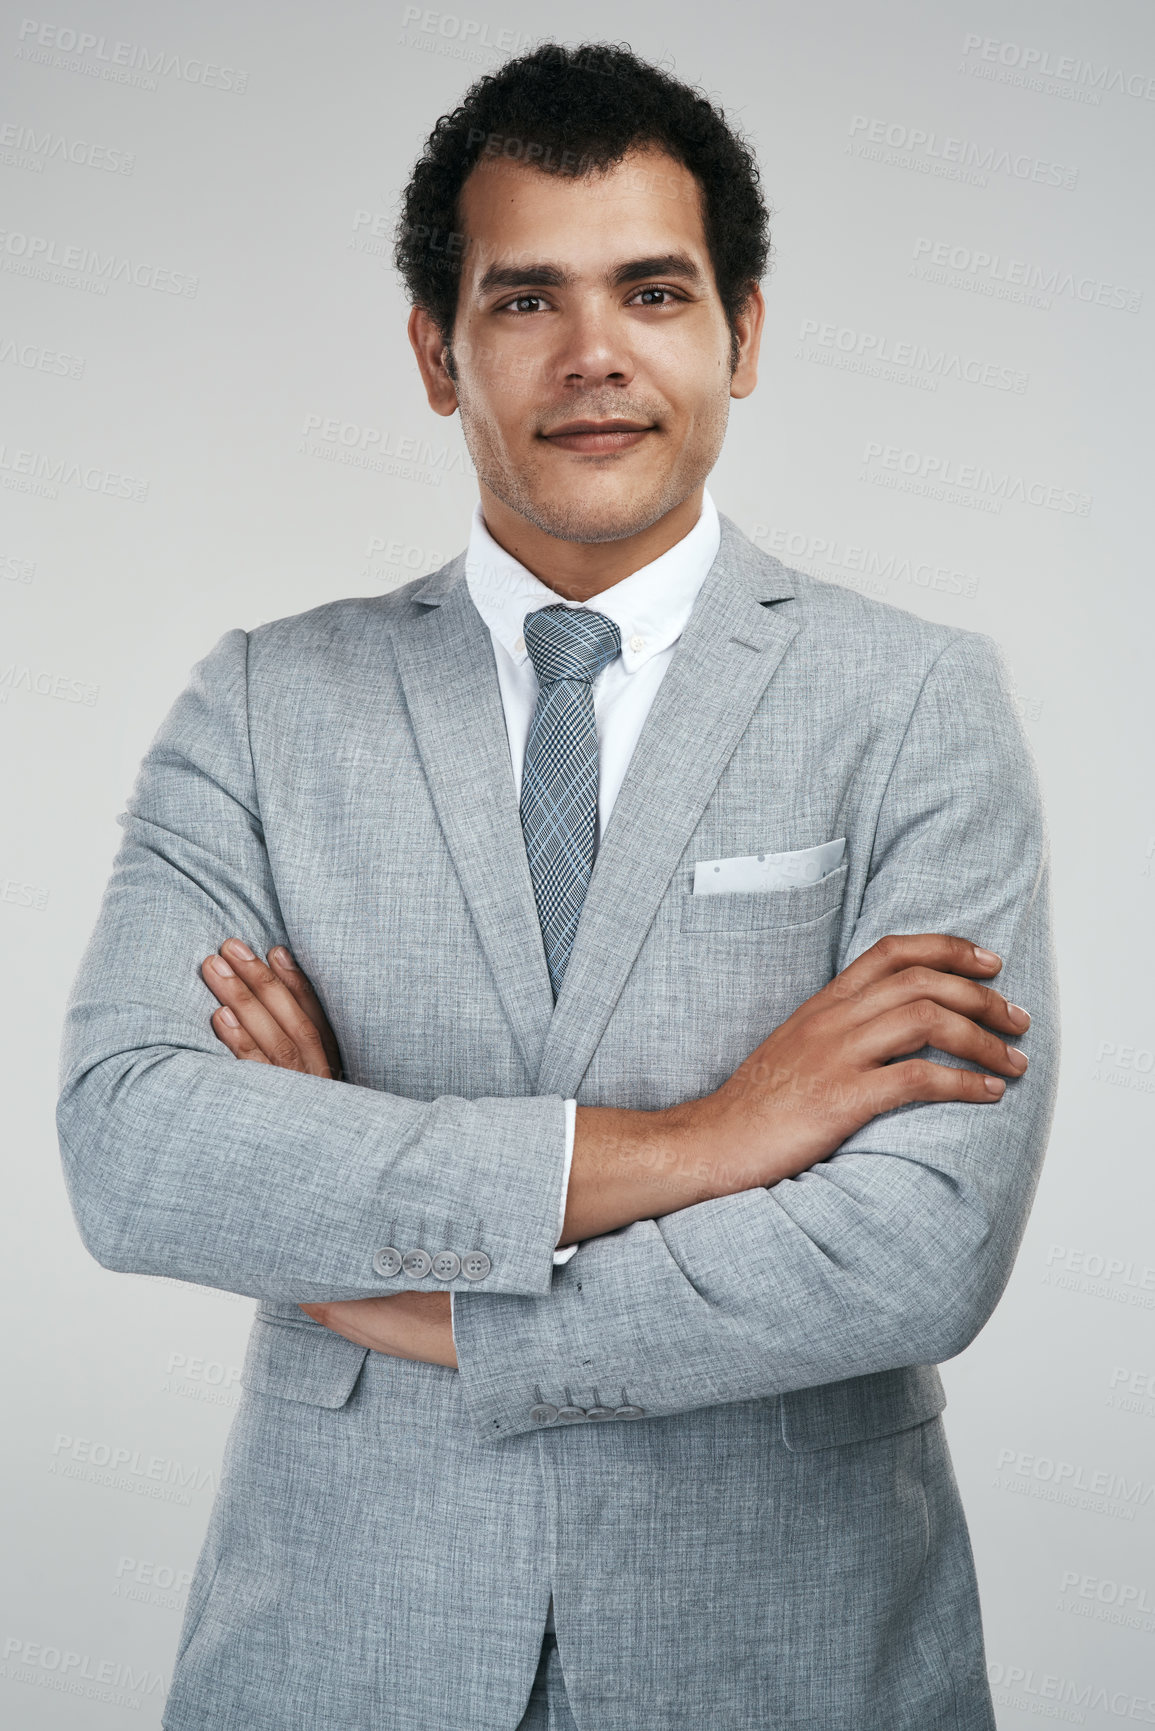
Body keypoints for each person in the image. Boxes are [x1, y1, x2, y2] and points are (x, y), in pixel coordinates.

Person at [57, 41, 1058, 1731]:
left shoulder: (913, 704)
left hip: (788, 1657)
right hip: (345, 1648)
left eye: (652, 291)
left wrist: (369, 1261)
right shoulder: (262, 701)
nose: (594, 358)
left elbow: (916, 1247)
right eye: (525, 302)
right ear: (437, 356)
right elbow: (135, 1147)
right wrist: (710, 1141)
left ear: (742, 331)